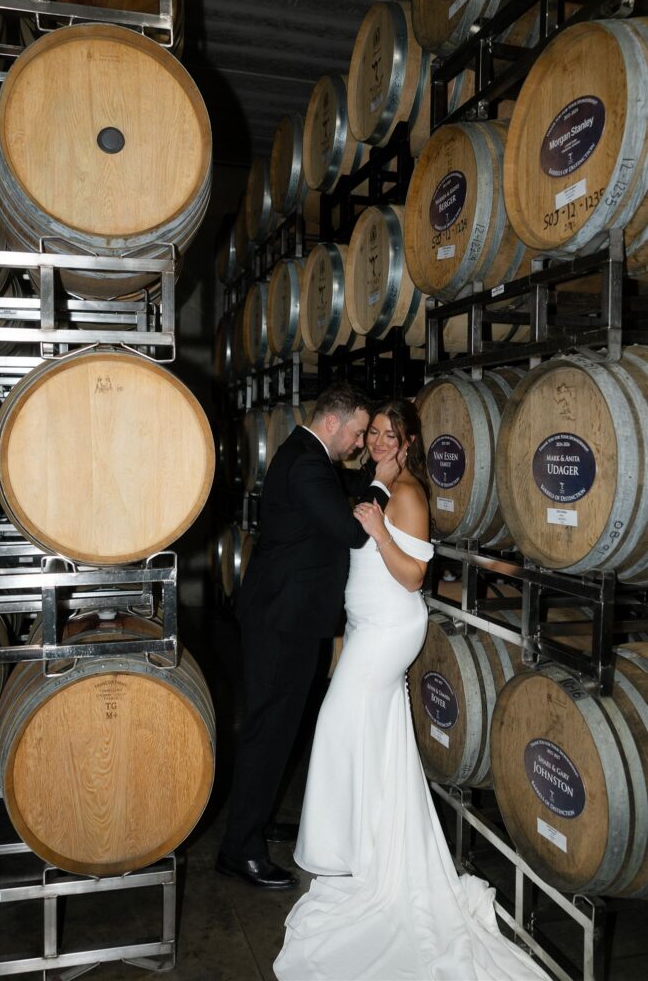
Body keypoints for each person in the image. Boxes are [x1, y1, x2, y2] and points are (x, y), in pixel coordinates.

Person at [274, 400, 550, 980]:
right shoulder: (379, 483)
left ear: (409, 442)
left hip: (390, 632)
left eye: (388, 435)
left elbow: (414, 576)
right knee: (372, 737)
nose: (376, 441)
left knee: (337, 728)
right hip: (369, 628)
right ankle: (366, 850)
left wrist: (376, 533)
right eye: (372, 432)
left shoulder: (407, 494)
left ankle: (353, 852)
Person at [217, 382, 400, 890]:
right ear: (332, 423)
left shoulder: (307, 456)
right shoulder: (306, 463)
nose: (361, 443)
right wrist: (382, 484)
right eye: (360, 433)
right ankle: (239, 851)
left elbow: (339, 496)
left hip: (287, 617)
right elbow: (351, 529)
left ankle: (255, 822)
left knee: (279, 729)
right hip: (282, 622)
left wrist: (374, 473)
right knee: (266, 731)